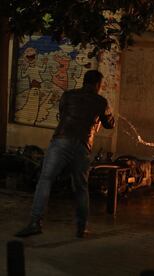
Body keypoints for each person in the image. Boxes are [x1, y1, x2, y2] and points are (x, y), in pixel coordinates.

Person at [15, 70, 115, 238]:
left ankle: (35, 222)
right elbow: (109, 124)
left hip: (61, 140)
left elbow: (62, 114)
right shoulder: (101, 101)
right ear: (98, 84)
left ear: (84, 81)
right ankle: (81, 228)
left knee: (45, 180)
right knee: (81, 187)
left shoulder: (68, 95)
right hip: (83, 145)